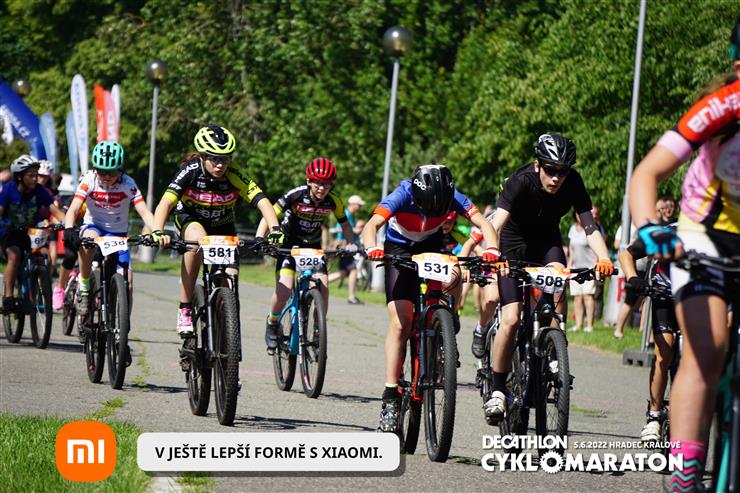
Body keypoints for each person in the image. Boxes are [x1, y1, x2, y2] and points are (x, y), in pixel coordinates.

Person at [628, 23, 740, 491]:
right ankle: (685, 475)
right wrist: (650, 228)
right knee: (706, 348)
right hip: (703, 236)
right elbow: (647, 173)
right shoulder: (723, 106)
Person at [486, 133, 614, 423]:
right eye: (550, 170)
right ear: (537, 165)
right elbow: (497, 222)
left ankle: (555, 350)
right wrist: (493, 252)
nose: (556, 178)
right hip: (512, 244)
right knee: (511, 318)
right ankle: (497, 389)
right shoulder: (521, 180)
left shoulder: (574, 182)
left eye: (562, 171)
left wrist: (604, 257)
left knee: (558, 287)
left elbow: (589, 226)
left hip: (547, 242)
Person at [361, 163, 499, 432]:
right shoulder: (402, 194)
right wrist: (371, 246)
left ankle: (444, 322)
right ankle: (390, 397)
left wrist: (492, 248)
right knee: (400, 323)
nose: (435, 212)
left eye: (441, 209)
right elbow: (372, 224)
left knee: (454, 274)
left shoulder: (453, 195)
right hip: (399, 248)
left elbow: (483, 222)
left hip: (431, 246)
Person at [153, 124, 282, 337]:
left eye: (226, 158)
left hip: (222, 224)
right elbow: (166, 202)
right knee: (197, 241)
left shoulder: (233, 173)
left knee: (230, 279)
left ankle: (225, 329)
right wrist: (157, 230)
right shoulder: (191, 171)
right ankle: (185, 308)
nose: (221, 164)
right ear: (203, 156)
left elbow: (262, 201)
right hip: (191, 219)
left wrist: (275, 228)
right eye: (215, 159)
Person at [256, 157, 357, 353]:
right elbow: (270, 214)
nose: (322, 188)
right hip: (289, 245)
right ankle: (272, 323)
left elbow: (345, 224)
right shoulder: (296, 195)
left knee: (323, 290)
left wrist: (351, 243)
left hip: (313, 247)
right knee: (284, 290)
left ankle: (318, 331)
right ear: (309, 181)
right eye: (317, 183)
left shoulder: (333, 200)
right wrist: (260, 237)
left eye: (326, 184)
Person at [63, 141, 156, 320]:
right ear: (95, 169)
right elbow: (74, 209)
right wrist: (68, 229)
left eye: (111, 172)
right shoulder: (89, 180)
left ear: (120, 169)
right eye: (101, 171)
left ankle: (123, 326)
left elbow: (144, 212)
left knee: (128, 283)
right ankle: (84, 287)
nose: (106, 176)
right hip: (94, 227)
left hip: (118, 234)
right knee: (87, 241)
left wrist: (157, 231)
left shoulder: (128, 184)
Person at [617, 236, 677, 444]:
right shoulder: (666, 233)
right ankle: (654, 415)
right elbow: (626, 254)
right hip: (664, 295)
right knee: (664, 353)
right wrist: (633, 278)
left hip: (696, 301)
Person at [0, 155, 65, 313]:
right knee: (14, 255)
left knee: (44, 256)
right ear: (19, 177)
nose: (35, 178)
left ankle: (34, 292)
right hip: (9, 232)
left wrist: (68, 225)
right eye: (31, 175)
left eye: (36, 175)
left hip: (31, 232)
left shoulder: (40, 191)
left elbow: (55, 211)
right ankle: (8, 298)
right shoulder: (9, 189)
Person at [327, 194, 365, 304]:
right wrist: (354, 230)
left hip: (347, 246)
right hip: (344, 246)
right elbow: (339, 229)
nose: (360, 207)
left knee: (343, 272)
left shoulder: (351, 215)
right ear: (352, 204)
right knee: (353, 270)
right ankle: (351, 297)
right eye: (358, 205)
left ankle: (320, 282)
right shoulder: (346, 214)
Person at [567, 211, 598, 333]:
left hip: (588, 268)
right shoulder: (572, 229)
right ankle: (578, 325)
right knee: (577, 297)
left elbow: (597, 248)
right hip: (575, 268)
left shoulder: (591, 229)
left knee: (588, 297)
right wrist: (570, 264)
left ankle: (589, 325)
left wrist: (596, 265)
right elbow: (571, 248)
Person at [37, 160, 60, 276]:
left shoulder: (51, 190)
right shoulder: (30, 188)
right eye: (40, 176)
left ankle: (52, 269)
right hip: (32, 222)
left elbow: (56, 208)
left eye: (45, 176)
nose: (42, 179)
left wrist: (60, 222)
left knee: (52, 243)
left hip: (48, 222)